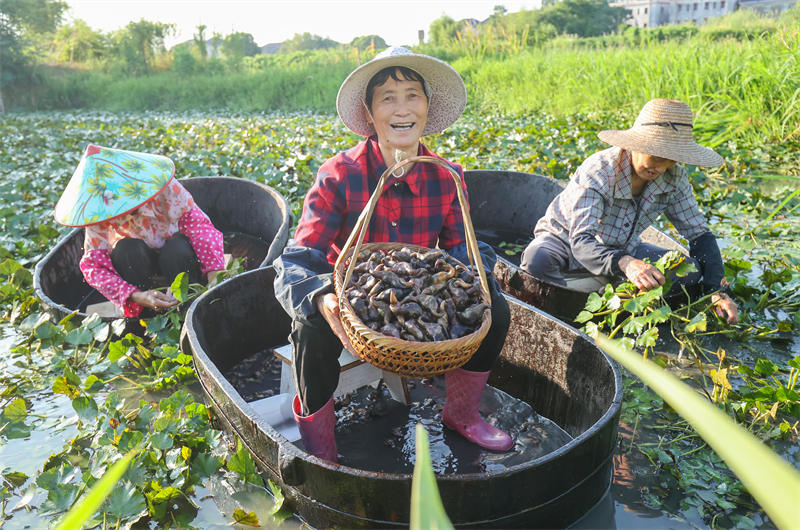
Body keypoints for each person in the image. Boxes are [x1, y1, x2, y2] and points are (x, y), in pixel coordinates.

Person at [274, 47, 514, 463]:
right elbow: (299, 258)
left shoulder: (448, 176)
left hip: (412, 289)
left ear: (426, 107)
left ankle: (461, 414)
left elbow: (461, 249)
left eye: (412, 95)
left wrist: (477, 283)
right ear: (369, 113)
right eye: (387, 97)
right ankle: (321, 445)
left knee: (497, 307)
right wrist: (322, 298)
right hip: (351, 296)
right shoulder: (339, 175)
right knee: (310, 324)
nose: (401, 108)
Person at [520, 98, 738, 324]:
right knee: (537, 261)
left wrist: (717, 292)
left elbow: (699, 235)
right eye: (656, 158)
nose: (661, 168)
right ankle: (565, 305)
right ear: (636, 145)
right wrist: (626, 263)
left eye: (670, 161)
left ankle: (611, 290)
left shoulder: (674, 178)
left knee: (690, 270)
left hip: (623, 246)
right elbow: (581, 241)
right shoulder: (600, 171)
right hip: (566, 242)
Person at [54, 144, 225, 318]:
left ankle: (189, 304)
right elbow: (93, 265)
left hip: (177, 255)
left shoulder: (165, 188)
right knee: (126, 250)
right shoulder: (100, 209)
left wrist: (214, 275)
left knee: (175, 249)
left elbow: (200, 228)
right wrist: (136, 295)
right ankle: (146, 312)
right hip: (139, 265)